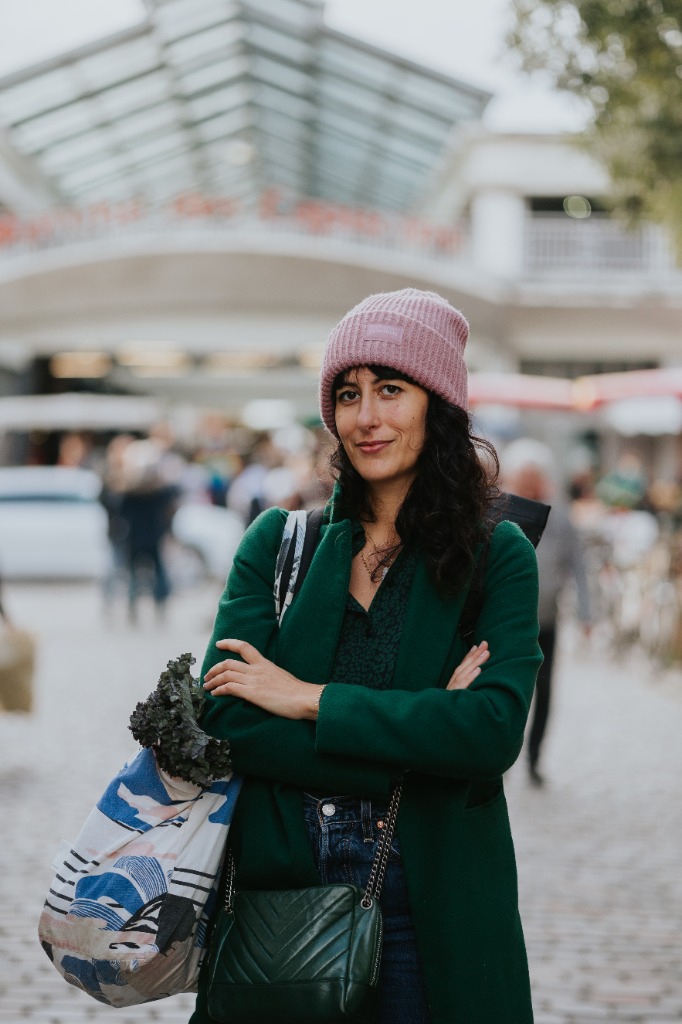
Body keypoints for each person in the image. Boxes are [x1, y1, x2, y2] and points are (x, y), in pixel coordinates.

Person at [191, 289, 542, 1024]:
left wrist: (307, 698)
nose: (366, 417)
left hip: (430, 900)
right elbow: (225, 717)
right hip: (278, 895)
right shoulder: (279, 545)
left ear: (437, 405)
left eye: (390, 390)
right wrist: (424, 733)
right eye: (347, 394)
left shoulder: (496, 555)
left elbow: (489, 734)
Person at [502, 439, 592, 787]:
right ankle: (503, 754)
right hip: (508, 622)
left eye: (533, 477)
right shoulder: (502, 511)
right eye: (522, 477)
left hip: (547, 619)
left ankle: (535, 757)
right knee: (510, 691)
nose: (528, 483)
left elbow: (579, 565)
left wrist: (587, 613)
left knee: (545, 690)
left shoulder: (559, 516)